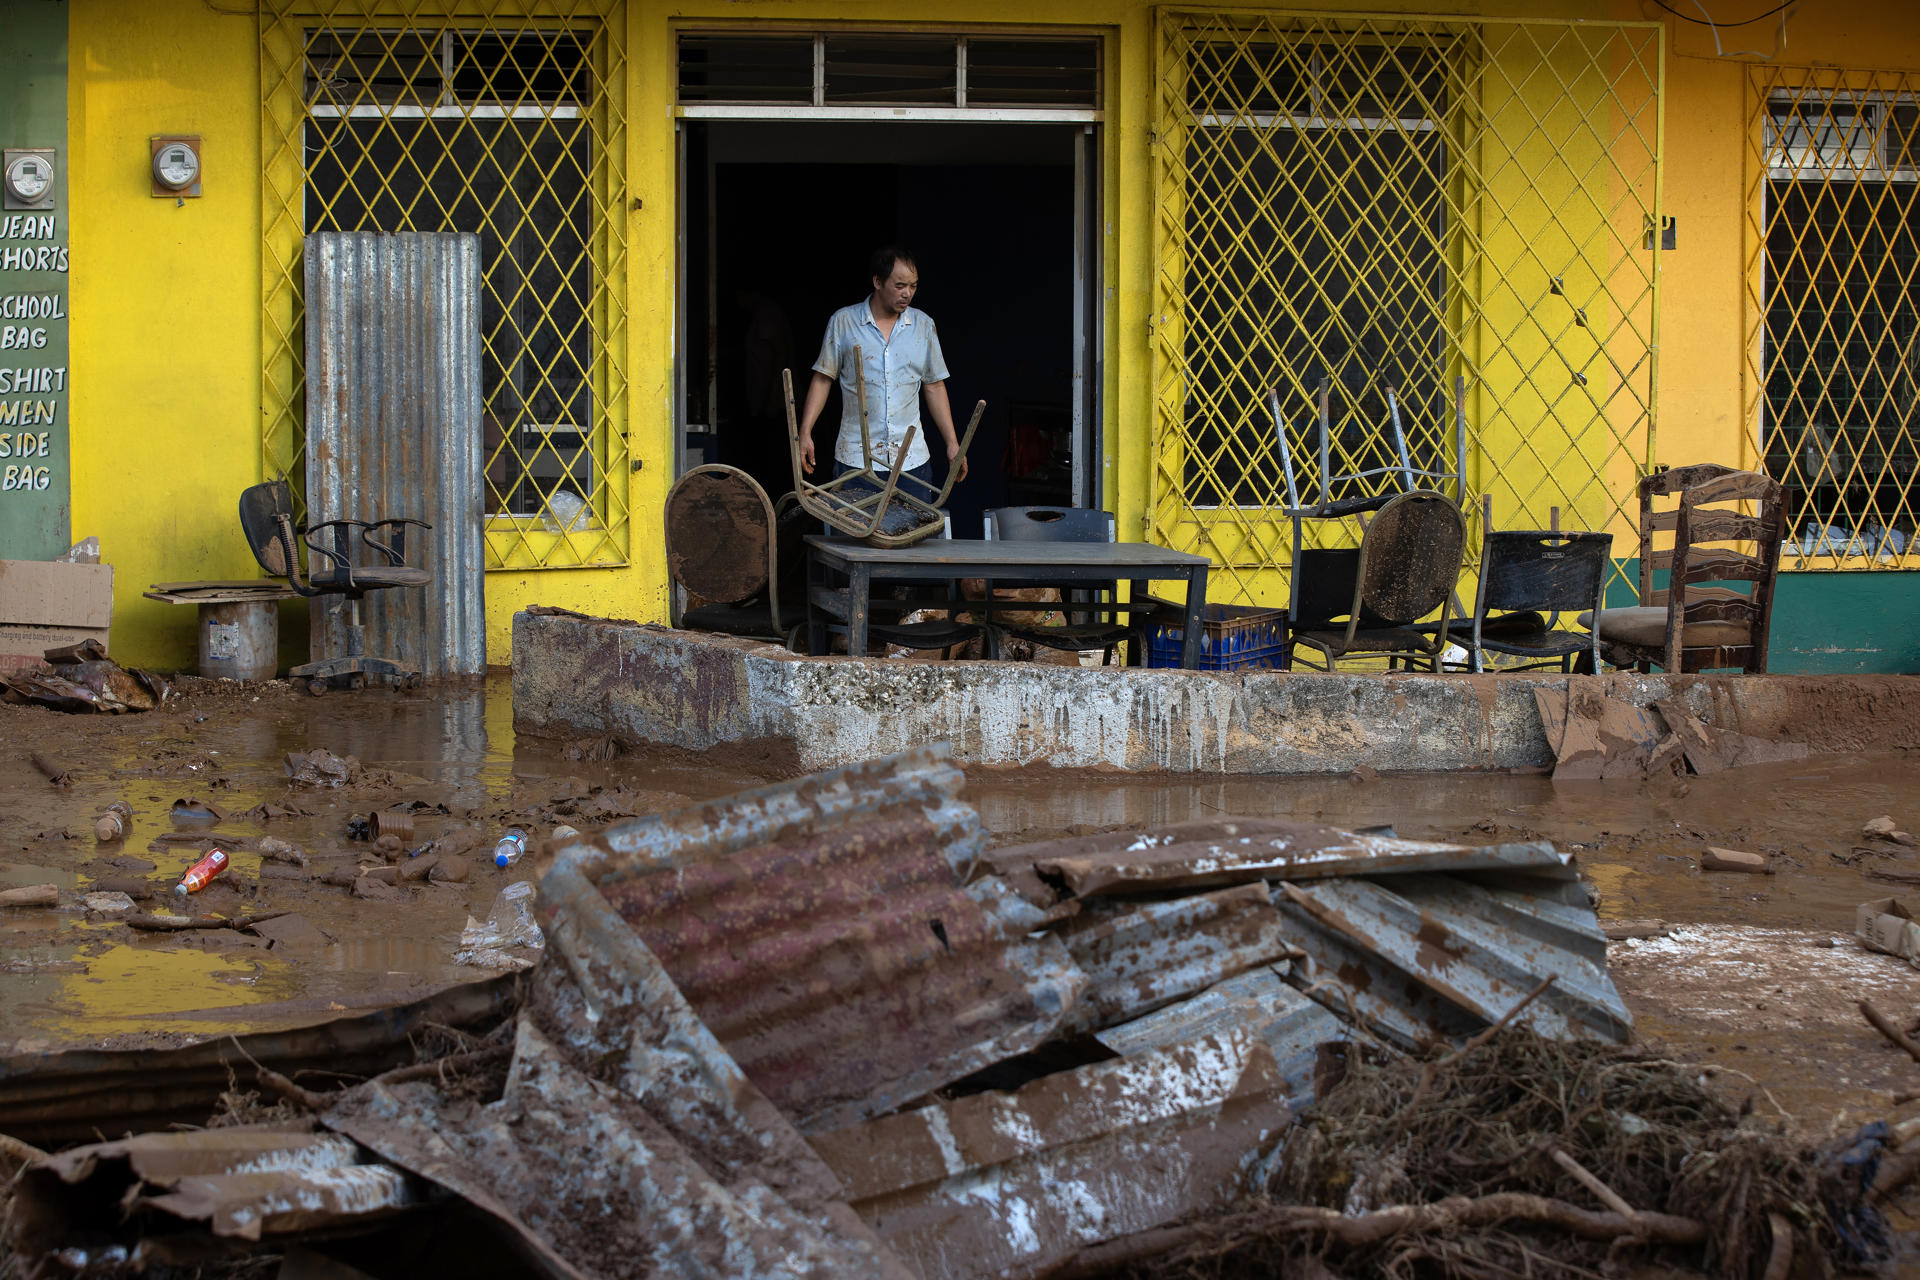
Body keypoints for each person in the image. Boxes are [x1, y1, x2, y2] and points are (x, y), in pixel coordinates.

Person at [797, 246, 968, 494]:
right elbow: (823, 379)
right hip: (856, 459)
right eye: (900, 286)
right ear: (877, 281)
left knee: (911, 532)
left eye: (913, 286)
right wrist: (805, 432)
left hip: (911, 462)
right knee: (855, 532)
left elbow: (934, 385)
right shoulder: (844, 322)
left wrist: (953, 444)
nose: (907, 294)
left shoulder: (923, 325)